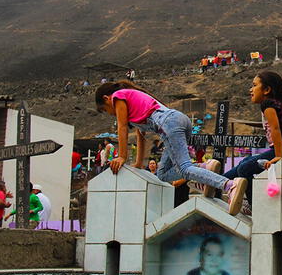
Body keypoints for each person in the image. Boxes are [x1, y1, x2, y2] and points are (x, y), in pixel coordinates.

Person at [95, 81, 248, 215]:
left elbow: (122, 128)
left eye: (105, 110)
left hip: (169, 124)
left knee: (184, 168)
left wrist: (122, 156)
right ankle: (204, 167)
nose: (111, 113)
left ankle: (229, 185)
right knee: (161, 174)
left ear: (106, 99)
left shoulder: (118, 97)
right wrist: (138, 164)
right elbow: (140, 137)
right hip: (179, 120)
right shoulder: (133, 102)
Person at [223, 71, 282, 206]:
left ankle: (253, 206)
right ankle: (217, 182)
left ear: (267, 90)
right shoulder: (277, 104)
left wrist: (278, 156)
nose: (251, 89)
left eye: (254, 85)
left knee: (245, 169)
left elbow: (276, 129)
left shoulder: (268, 104)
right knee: (245, 161)